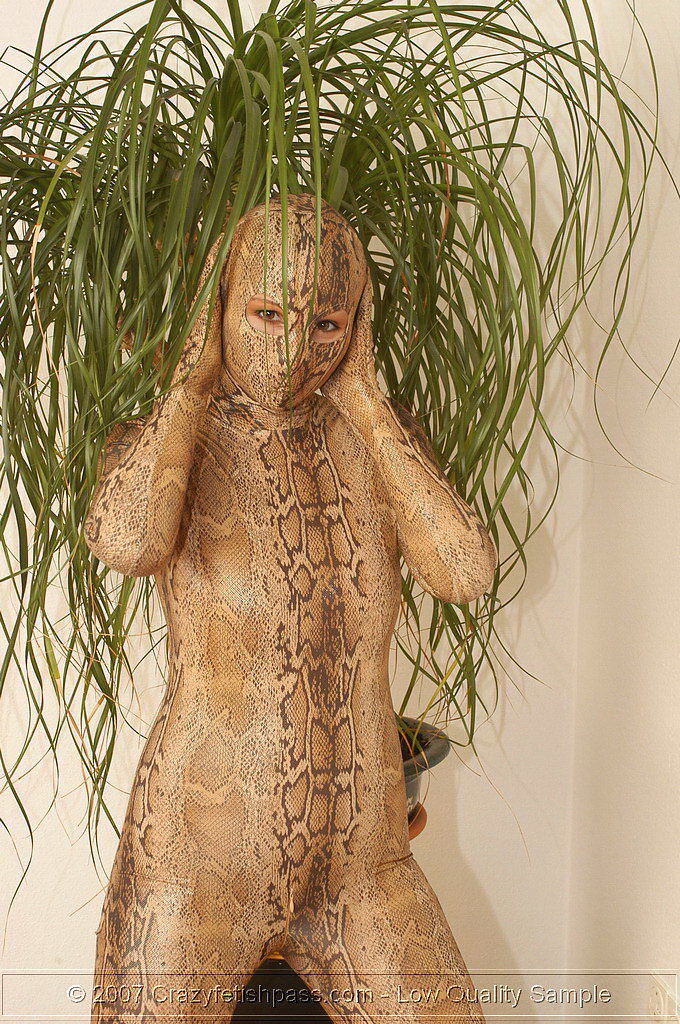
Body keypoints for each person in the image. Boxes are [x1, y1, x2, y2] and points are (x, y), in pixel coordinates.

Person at [85, 193, 497, 1024]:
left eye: (327, 325)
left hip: (363, 864)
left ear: (357, 328)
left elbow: (465, 573)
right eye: (267, 314)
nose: (293, 350)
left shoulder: (379, 440)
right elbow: (125, 542)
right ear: (221, 304)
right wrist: (192, 380)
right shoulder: (168, 439)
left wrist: (368, 401)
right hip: (202, 862)